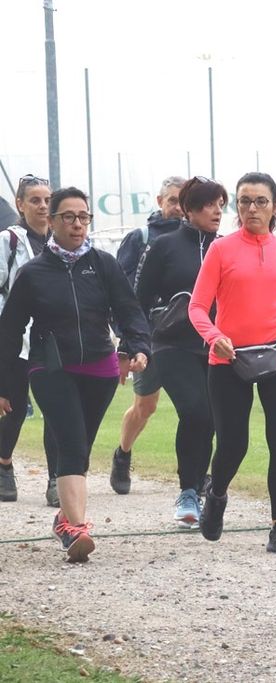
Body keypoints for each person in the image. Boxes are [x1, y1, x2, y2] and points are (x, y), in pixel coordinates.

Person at [0, 187, 150, 562]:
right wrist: (4, 382)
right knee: (70, 441)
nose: (78, 224)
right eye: (68, 217)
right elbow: (9, 330)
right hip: (50, 367)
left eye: (83, 216)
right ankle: (76, 529)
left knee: (80, 446)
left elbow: (128, 309)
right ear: (52, 222)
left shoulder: (103, 264)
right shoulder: (33, 273)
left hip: (100, 369)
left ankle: (64, 519)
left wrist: (137, 346)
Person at [188, 172, 276, 555]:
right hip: (228, 359)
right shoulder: (221, 250)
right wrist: (214, 337)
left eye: (260, 201)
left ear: (275, 207)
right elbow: (197, 307)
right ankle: (216, 494)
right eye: (245, 201)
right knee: (234, 444)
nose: (252, 208)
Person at [135, 176, 225, 527]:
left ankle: (198, 487)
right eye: (209, 204)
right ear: (189, 209)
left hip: (217, 347)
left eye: (221, 204)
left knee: (212, 418)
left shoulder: (226, 247)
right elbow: (139, 299)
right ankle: (188, 492)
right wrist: (135, 343)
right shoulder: (164, 246)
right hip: (172, 344)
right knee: (196, 410)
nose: (217, 211)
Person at [110, 175, 186, 495]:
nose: (179, 208)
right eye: (173, 201)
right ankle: (123, 453)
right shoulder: (140, 238)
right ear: (159, 201)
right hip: (149, 337)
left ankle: (194, 472)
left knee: (197, 408)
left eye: (184, 201)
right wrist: (127, 340)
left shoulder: (200, 239)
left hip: (188, 337)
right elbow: (120, 292)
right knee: (145, 406)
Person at [0, 174, 60, 506]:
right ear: (20, 204)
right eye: (35, 200)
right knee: (14, 409)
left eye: (48, 200)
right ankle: (4, 463)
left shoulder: (61, 243)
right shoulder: (8, 241)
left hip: (51, 342)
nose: (42, 206)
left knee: (55, 410)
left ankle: (56, 479)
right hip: (15, 341)